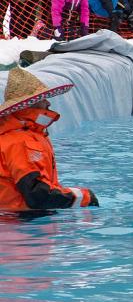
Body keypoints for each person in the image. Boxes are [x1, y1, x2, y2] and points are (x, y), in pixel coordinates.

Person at [0, 69, 98, 213]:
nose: (48, 103)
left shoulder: (17, 136)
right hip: (22, 224)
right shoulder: (22, 142)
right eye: (41, 99)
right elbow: (38, 195)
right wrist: (84, 197)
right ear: (29, 105)